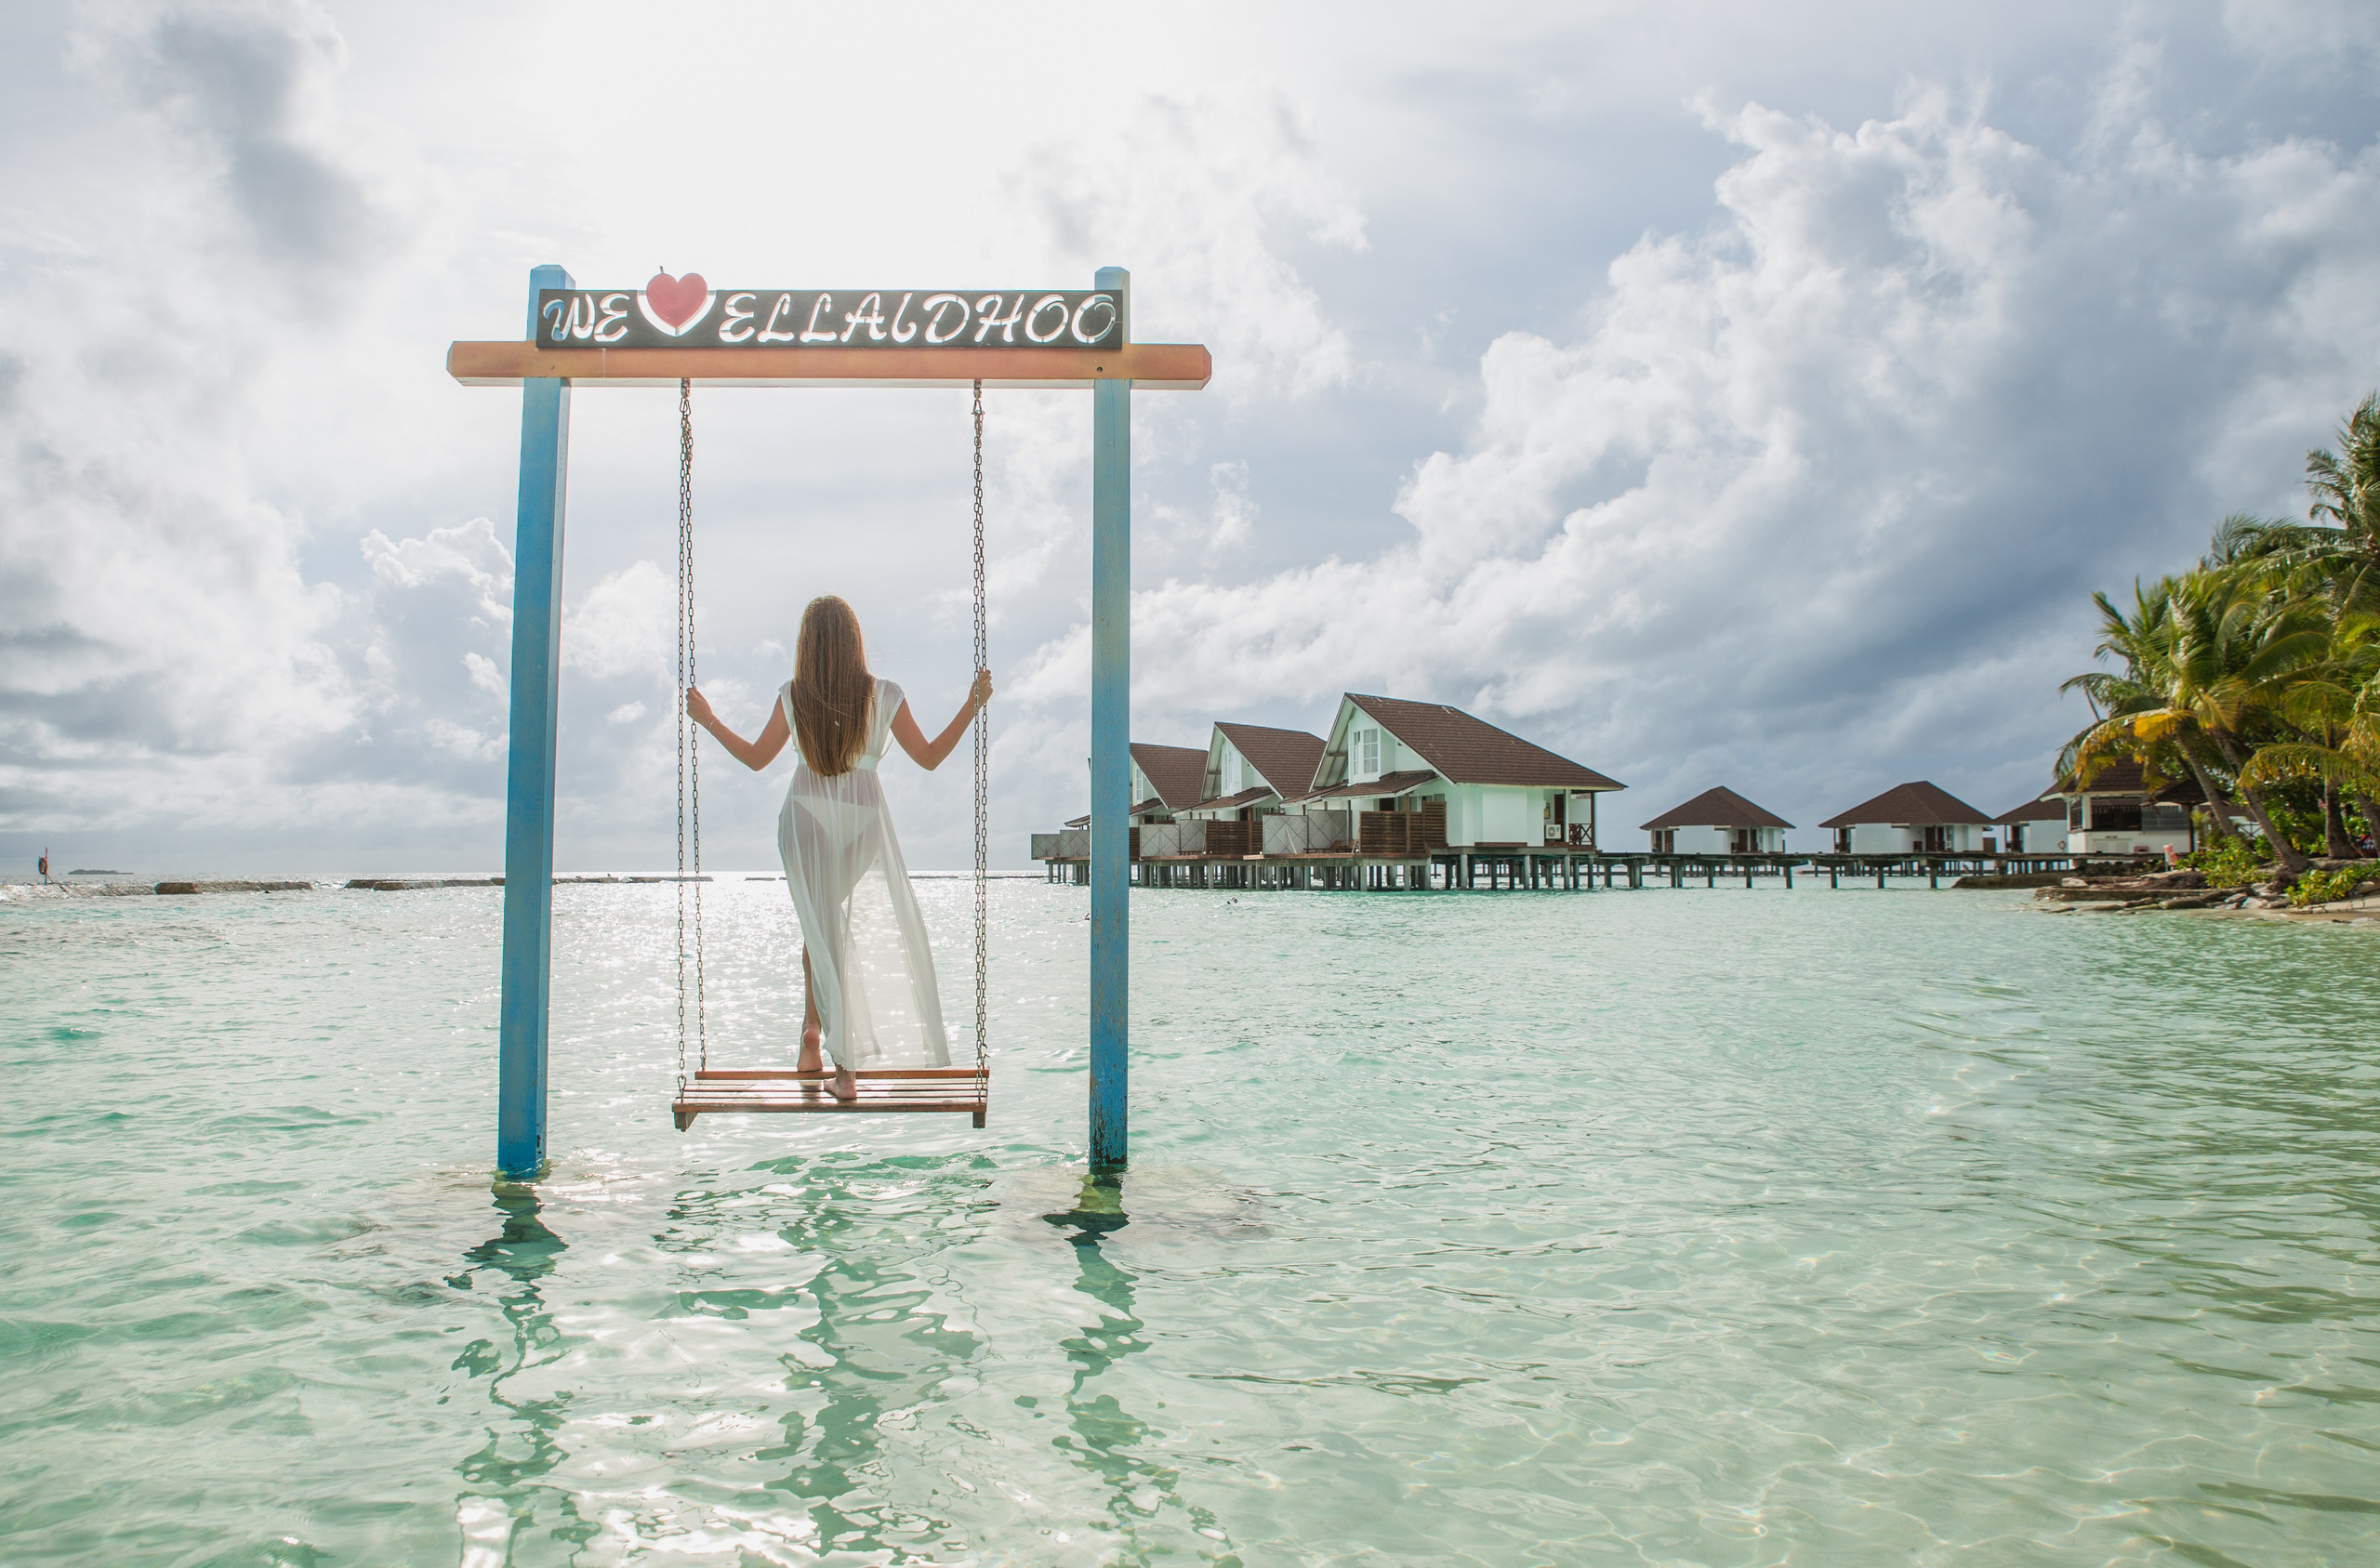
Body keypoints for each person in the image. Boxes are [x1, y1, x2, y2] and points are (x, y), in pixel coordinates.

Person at [686, 595, 990, 1101]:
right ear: (854, 642)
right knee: (825, 926)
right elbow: (932, 757)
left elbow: (759, 760)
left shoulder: (794, 694)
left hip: (804, 815)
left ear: (807, 645)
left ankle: (825, 1049)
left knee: (822, 928)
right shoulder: (885, 694)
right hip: (861, 817)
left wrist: (709, 720)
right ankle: (831, 1057)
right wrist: (972, 704)